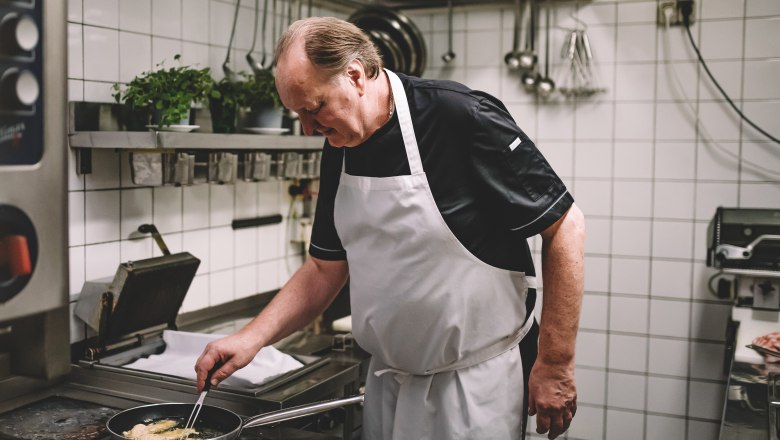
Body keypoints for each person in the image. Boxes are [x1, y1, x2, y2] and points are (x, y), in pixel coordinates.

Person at [195, 16, 585, 440]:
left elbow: (565, 226)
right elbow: (325, 268)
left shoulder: (458, 116)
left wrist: (555, 364)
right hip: (388, 385)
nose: (309, 129)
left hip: (475, 388)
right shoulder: (338, 146)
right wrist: (251, 339)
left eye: (314, 108)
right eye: (298, 116)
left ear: (355, 75)